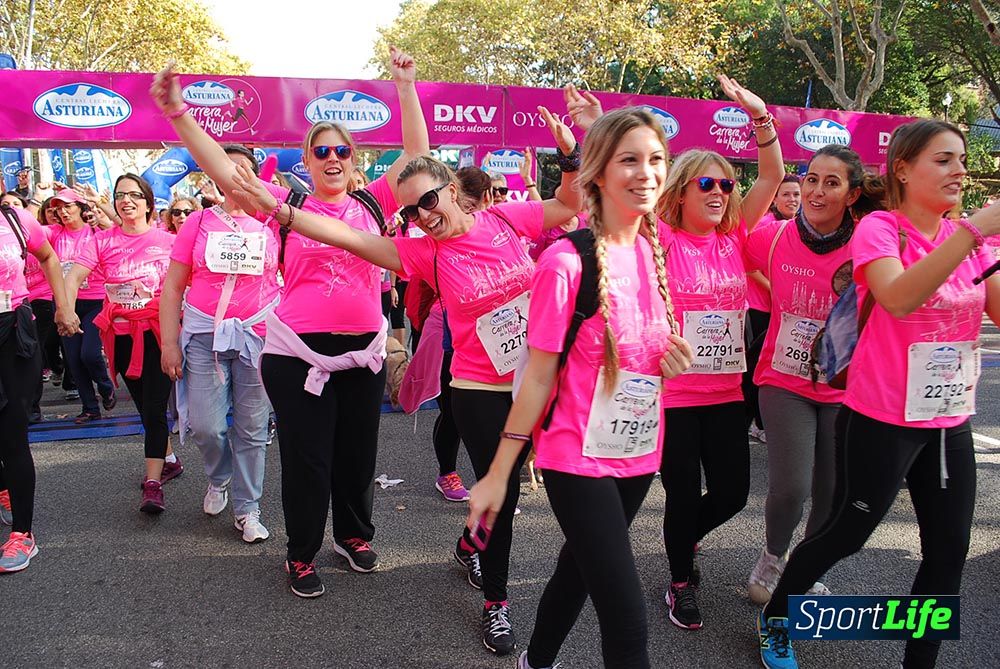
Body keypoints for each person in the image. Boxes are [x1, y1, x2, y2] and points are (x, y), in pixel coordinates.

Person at [226, 102, 581, 654]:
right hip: (478, 388)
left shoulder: (510, 219)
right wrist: (282, 210)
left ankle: (470, 547)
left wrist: (571, 151)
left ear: (453, 189)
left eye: (430, 201)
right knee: (500, 493)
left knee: (534, 485)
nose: (424, 215)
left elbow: (573, 202)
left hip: (536, 378)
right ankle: (496, 603)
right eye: (412, 211)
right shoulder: (420, 254)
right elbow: (346, 239)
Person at [151, 46, 428, 598]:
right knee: (308, 459)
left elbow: (418, 153)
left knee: (357, 455)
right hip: (295, 355)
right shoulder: (282, 202)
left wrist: (405, 85)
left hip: (363, 354)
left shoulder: (373, 203)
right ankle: (301, 553)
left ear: (356, 160)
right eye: (321, 150)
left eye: (342, 151)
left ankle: (353, 535)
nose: (332, 158)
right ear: (308, 158)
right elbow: (223, 168)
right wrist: (179, 114)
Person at [757, 119, 1000, 669]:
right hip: (881, 416)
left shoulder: (973, 240)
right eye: (943, 159)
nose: (959, 170)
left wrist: (976, 239)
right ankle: (777, 617)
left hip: (947, 420)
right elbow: (896, 297)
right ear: (903, 170)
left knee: (948, 553)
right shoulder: (882, 230)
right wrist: (972, 234)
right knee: (846, 534)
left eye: (961, 159)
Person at [467, 107, 693, 669]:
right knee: (628, 623)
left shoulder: (654, 253)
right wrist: (498, 474)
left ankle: (534, 661)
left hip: (638, 454)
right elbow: (538, 376)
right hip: (576, 458)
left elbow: (647, 351)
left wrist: (672, 361)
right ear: (596, 173)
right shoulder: (565, 263)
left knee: (577, 574)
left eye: (656, 160)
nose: (647, 173)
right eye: (630, 160)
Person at [744, 146, 883, 606]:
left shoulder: (869, 240)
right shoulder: (776, 237)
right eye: (811, 180)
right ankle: (772, 555)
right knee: (792, 486)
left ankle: (804, 565)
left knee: (829, 492)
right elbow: (739, 264)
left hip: (844, 385)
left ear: (852, 194)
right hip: (783, 379)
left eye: (831, 183)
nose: (817, 191)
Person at [160, 146, 279, 544]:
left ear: (258, 178)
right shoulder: (198, 222)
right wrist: (169, 343)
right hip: (202, 336)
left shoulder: (274, 223)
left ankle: (248, 509)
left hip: (255, 337)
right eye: (226, 168)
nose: (234, 174)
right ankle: (219, 478)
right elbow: (174, 286)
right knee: (207, 426)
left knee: (253, 426)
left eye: (244, 169)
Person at [64, 174, 181, 514]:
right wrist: (66, 308)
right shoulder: (102, 241)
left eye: (133, 195)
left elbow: (187, 281)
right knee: (145, 405)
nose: (126, 200)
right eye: (119, 195)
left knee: (156, 407)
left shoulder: (168, 240)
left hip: (159, 334)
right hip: (120, 337)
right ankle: (169, 459)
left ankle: (153, 483)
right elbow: (73, 277)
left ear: (148, 202)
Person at [0, 203, 81, 573]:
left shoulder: (14, 219)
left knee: (12, 431)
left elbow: (48, 256)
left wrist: (64, 307)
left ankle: (22, 535)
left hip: (12, 333)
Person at [49, 189, 117, 424]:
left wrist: (101, 205)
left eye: (68, 206)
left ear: (80, 207)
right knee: (73, 359)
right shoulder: (55, 234)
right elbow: (31, 233)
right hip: (66, 303)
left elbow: (118, 227)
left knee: (89, 353)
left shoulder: (95, 230)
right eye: (59, 208)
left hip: (96, 301)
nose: (63, 212)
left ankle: (105, 386)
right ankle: (90, 408)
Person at [744, 174, 802, 442]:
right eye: (786, 194)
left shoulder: (801, 226)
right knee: (758, 366)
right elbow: (749, 265)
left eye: (796, 194)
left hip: (785, 312)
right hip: (761, 307)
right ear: (775, 198)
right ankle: (758, 422)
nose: (792, 199)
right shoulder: (768, 226)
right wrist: (775, 289)